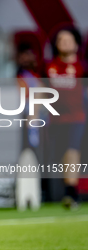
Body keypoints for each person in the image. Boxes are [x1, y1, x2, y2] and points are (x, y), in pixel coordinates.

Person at [46, 28, 86, 210]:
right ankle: (69, 189)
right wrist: (34, 113)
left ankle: (71, 192)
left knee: (72, 150)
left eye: (68, 40)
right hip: (55, 119)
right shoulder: (49, 67)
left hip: (76, 117)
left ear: (76, 45)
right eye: (61, 40)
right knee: (62, 155)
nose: (65, 43)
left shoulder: (82, 67)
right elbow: (40, 91)